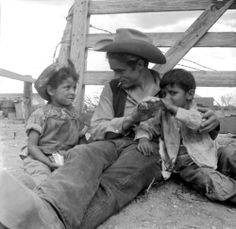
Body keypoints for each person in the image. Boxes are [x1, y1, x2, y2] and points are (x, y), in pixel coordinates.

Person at [0, 28, 221, 229]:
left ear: (140, 66)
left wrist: (214, 121)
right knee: (82, 153)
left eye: (120, 70)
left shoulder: (169, 88)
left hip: (151, 148)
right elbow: (96, 129)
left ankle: (52, 222)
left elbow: (193, 118)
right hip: (112, 142)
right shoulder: (113, 89)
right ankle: (42, 207)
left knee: (117, 178)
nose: (115, 76)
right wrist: (130, 118)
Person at [136, 68, 236, 204]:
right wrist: (143, 138)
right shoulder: (163, 115)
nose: (167, 98)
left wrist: (175, 110)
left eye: (173, 93)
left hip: (210, 155)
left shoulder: (197, 110)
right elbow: (147, 125)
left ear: (189, 94)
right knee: (207, 178)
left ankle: (228, 173)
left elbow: (197, 122)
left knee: (229, 153)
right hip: (188, 166)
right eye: (164, 94)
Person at [20, 60, 86, 187]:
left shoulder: (75, 115)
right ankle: (25, 187)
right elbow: (32, 146)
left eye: (74, 88)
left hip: (64, 158)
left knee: (76, 180)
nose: (72, 92)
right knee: (42, 179)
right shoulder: (41, 114)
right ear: (51, 90)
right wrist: (47, 162)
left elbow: (82, 143)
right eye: (67, 87)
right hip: (40, 158)